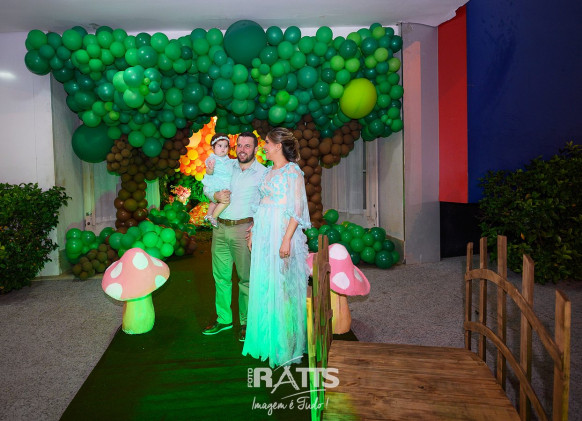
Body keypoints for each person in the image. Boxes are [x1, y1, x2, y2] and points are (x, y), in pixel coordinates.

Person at [242, 127, 311, 368]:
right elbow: (261, 203)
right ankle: (265, 340)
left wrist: (286, 239)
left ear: (278, 146)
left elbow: (297, 209)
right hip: (263, 235)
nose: (264, 146)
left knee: (282, 287)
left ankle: (284, 344)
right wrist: (253, 230)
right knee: (264, 283)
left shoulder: (293, 172)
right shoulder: (268, 172)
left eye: (267, 143)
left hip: (281, 233)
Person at [202, 132, 268, 341]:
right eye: (239, 145)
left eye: (247, 146)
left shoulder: (263, 173)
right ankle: (224, 319)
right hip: (220, 227)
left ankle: (246, 322)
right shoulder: (226, 164)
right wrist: (214, 195)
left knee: (245, 279)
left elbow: (268, 204)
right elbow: (207, 186)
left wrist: (257, 226)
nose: (242, 149)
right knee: (220, 277)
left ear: (255, 149)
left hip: (244, 230)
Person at [201, 134, 232, 228]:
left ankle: (209, 214)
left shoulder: (227, 159)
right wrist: (210, 168)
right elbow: (208, 172)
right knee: (226, 201)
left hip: (224, 182)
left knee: (214, 202)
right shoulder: (212, 159)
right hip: (217, 182)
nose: (223, 149)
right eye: (220, 146)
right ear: (213, 148)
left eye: (226, 146)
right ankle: (214, 217)